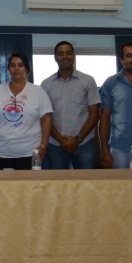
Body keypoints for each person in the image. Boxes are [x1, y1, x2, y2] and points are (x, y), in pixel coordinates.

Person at [0, 52, 53, 169]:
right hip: (2, 152)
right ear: (8, 69)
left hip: (31, 152)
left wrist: (43, 146)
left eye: (20, 65)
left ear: (26, 68)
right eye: (13, 65)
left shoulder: (38, 91)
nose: (16, 68)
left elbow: (46, 119)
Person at [41, 41, 100, 170]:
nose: (65, 57)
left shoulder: (88, 81)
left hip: (83, 144)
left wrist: (78, 139)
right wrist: (62, 140)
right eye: (60, 54)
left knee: (87, 180)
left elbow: (94, 114)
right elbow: (45, 117)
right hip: (55, 145)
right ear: (55, 57)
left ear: (73, 55)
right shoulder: (46, 84)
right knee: (58, 181)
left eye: (68, 53)